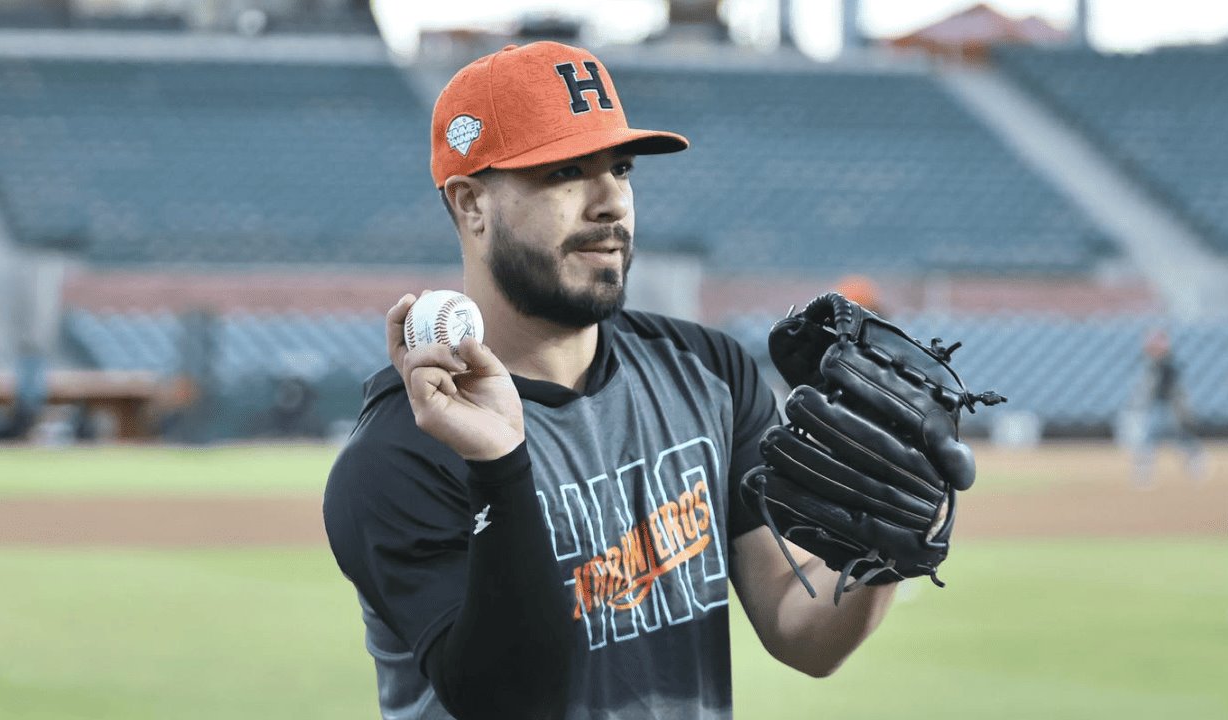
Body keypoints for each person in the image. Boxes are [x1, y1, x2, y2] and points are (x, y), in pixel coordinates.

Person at [323, 42, 898, 720]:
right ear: (472, 205)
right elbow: (509, 703)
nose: (610, 203)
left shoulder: (710, 374)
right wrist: (502, 465)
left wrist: (881, 544)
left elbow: (799, 628)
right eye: (566, 172)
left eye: (620, 169)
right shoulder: (401, 451)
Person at [1130, 329, 1204, 488]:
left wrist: (1182, 410)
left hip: (1169, 407)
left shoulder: (1169, 367)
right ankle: (1144, 472)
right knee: (1154, 439)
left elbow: (1176, 392)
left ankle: (1195, 464)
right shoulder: (1155, 366)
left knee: (1176, 438)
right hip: (1159, 407)